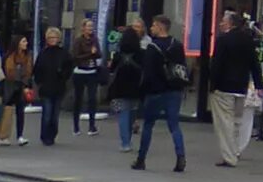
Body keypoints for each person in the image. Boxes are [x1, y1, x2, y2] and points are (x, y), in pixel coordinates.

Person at [130, 13, 189, 173]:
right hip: (174, 90)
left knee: (148, 125)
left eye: (154, 25)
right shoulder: (177, 45)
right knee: (174, 125)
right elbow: (182, 67)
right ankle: (180, 156)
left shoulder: (152, 47)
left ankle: (141, 159)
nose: (151, 28)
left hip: (155, 91)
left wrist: (143, 92)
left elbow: (148, 72)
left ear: (161, 26)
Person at [204, 12, 263, 166]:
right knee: (237, 121)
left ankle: (229, 156)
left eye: (223, 21)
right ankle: (236, 149)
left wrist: (212, 85)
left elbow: (217, 64)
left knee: (225, 123)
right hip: (241, 86)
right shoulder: (247, 40)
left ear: (230, 23)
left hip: (224, 87)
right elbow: (254, 64)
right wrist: (259, 84)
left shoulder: (222, 40)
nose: (221, 24)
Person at [104, 19, 148, 153]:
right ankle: (128, 138)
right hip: (136, 86)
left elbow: (112, 69)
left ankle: (125, 142)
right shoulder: (141, 54)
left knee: (123, 113)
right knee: (132, 113)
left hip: (120, 86)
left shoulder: (118, 54)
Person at [27, 25, 72, 147]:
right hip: (46, 88)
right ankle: (45, 136)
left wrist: (63, 74)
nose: (52, 39)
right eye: (50, 37)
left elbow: (69, 68)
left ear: (59, 38)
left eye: (55, 37)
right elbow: (37, 70)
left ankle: (52, 135)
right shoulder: (43, 53)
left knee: (55, 115)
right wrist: (39, 82)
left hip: (58, 87)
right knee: (47, 113)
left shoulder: (64, 53)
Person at [67, 24, 105, 134]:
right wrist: (90, 54)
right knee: (78, 99)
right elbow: (75, 56)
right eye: (88, 27)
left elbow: (99, 54)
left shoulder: (94, 40)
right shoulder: (78, 40)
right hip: (80, 72)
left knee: (92, 99)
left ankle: (92, 126)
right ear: (83, 28)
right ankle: (76, 126)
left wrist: (95, 53)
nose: (90, 29)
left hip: (92, 72)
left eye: (91, 27)